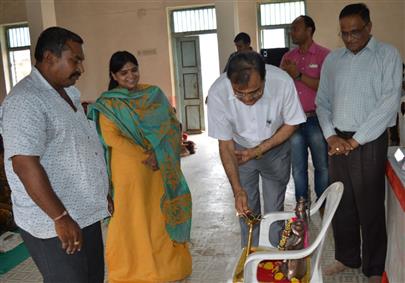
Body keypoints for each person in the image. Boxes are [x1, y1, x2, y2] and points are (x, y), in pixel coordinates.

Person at [1, 27, 110, 282]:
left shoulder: (68, 93)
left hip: (84, 212)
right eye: (75, 59)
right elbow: (24, 165)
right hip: (54, 222)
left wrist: (100, 190)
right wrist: (60, 217)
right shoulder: (25, 101)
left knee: (92, 278)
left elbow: (80, 146)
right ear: (49, 57)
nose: (80, 68)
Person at [87, 51, 192, 283]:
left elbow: (172, 125)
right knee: (131, 217)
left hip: (157, 170)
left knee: (158, 215)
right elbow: (111, 137)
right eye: (123, 72)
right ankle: (133, 269)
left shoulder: (152, 94)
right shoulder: (109, 103)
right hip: (129, 171)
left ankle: (168, 267)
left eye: (134, 70)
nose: (130, 76)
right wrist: (147, 155)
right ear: (114, 75)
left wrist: (158, 153)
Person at [315, 3, 402, 282]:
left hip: (369, 140)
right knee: (342, 202)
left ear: (369, 27)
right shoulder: (333, 60)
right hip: (336, 140)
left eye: (355, 32)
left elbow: (388, 104)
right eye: (344, 33)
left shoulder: (387, 55)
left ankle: (374, 267)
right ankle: (346, 257)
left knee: (370, 205)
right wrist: (330, 134)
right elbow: (322, 102)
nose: (350, 38)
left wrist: (356, 140)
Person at [207, 51, 306, 247]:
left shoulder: (282, 82)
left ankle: (272, 256)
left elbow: (292, 123)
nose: (247, 99)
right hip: (239, 151)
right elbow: (225, 144)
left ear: (264, 78)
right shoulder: (218, 92)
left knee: (273, 210)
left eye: (254, 92)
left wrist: (259, 150)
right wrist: (237, 191)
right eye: (239, 93)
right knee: (246, 209)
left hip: (275, 146)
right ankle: (251, 257)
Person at [280, 15, 330, 203]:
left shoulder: (325, 55)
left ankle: (323, 203)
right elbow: (281, 88)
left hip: (316, 118)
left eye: (295, 28)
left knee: (322, 166)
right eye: (291, 28)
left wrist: (298, 75)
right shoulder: (288, 57)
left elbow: (326, 88)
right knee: (298, 168)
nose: (291, 31)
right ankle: (302, 204)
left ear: (309, 30)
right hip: (293, 121)